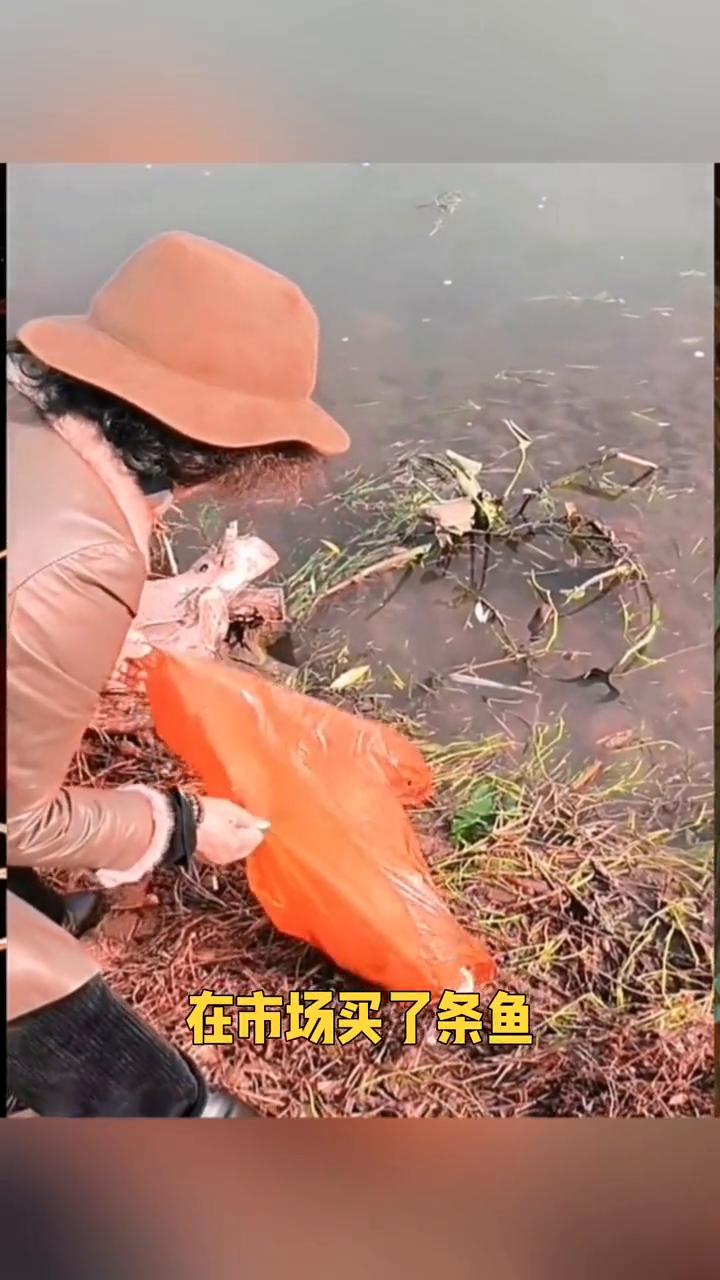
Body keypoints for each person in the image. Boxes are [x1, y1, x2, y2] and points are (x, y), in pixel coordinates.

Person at [6, 230, 350, 1117]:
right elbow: (15, 818)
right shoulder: (77, 559)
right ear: (225, 449)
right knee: (94, 1044)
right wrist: (181, 824)